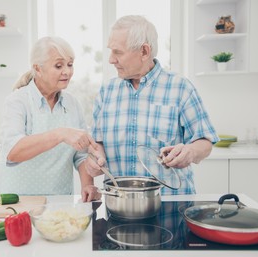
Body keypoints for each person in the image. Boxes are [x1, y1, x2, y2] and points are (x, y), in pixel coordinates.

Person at [85, 15, 219, 195]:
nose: (110, 59)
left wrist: (190, 152)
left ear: (144, 51)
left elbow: (205, 142)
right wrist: (95, 159)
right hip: (118, 206)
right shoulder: (106, 91)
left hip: (170, 208)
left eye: (118, 52)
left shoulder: (180, 88)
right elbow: (96, 143)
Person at [0, 36, 101, 202]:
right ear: (38, 68)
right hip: (17, 201)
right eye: (59, 65)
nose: (67, 71)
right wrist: (60, 134)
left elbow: (80, 155)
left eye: (70, 64)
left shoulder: (72, 104)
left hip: (60, 201)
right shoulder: (18, 101)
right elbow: (12, 152)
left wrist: (87, 185)